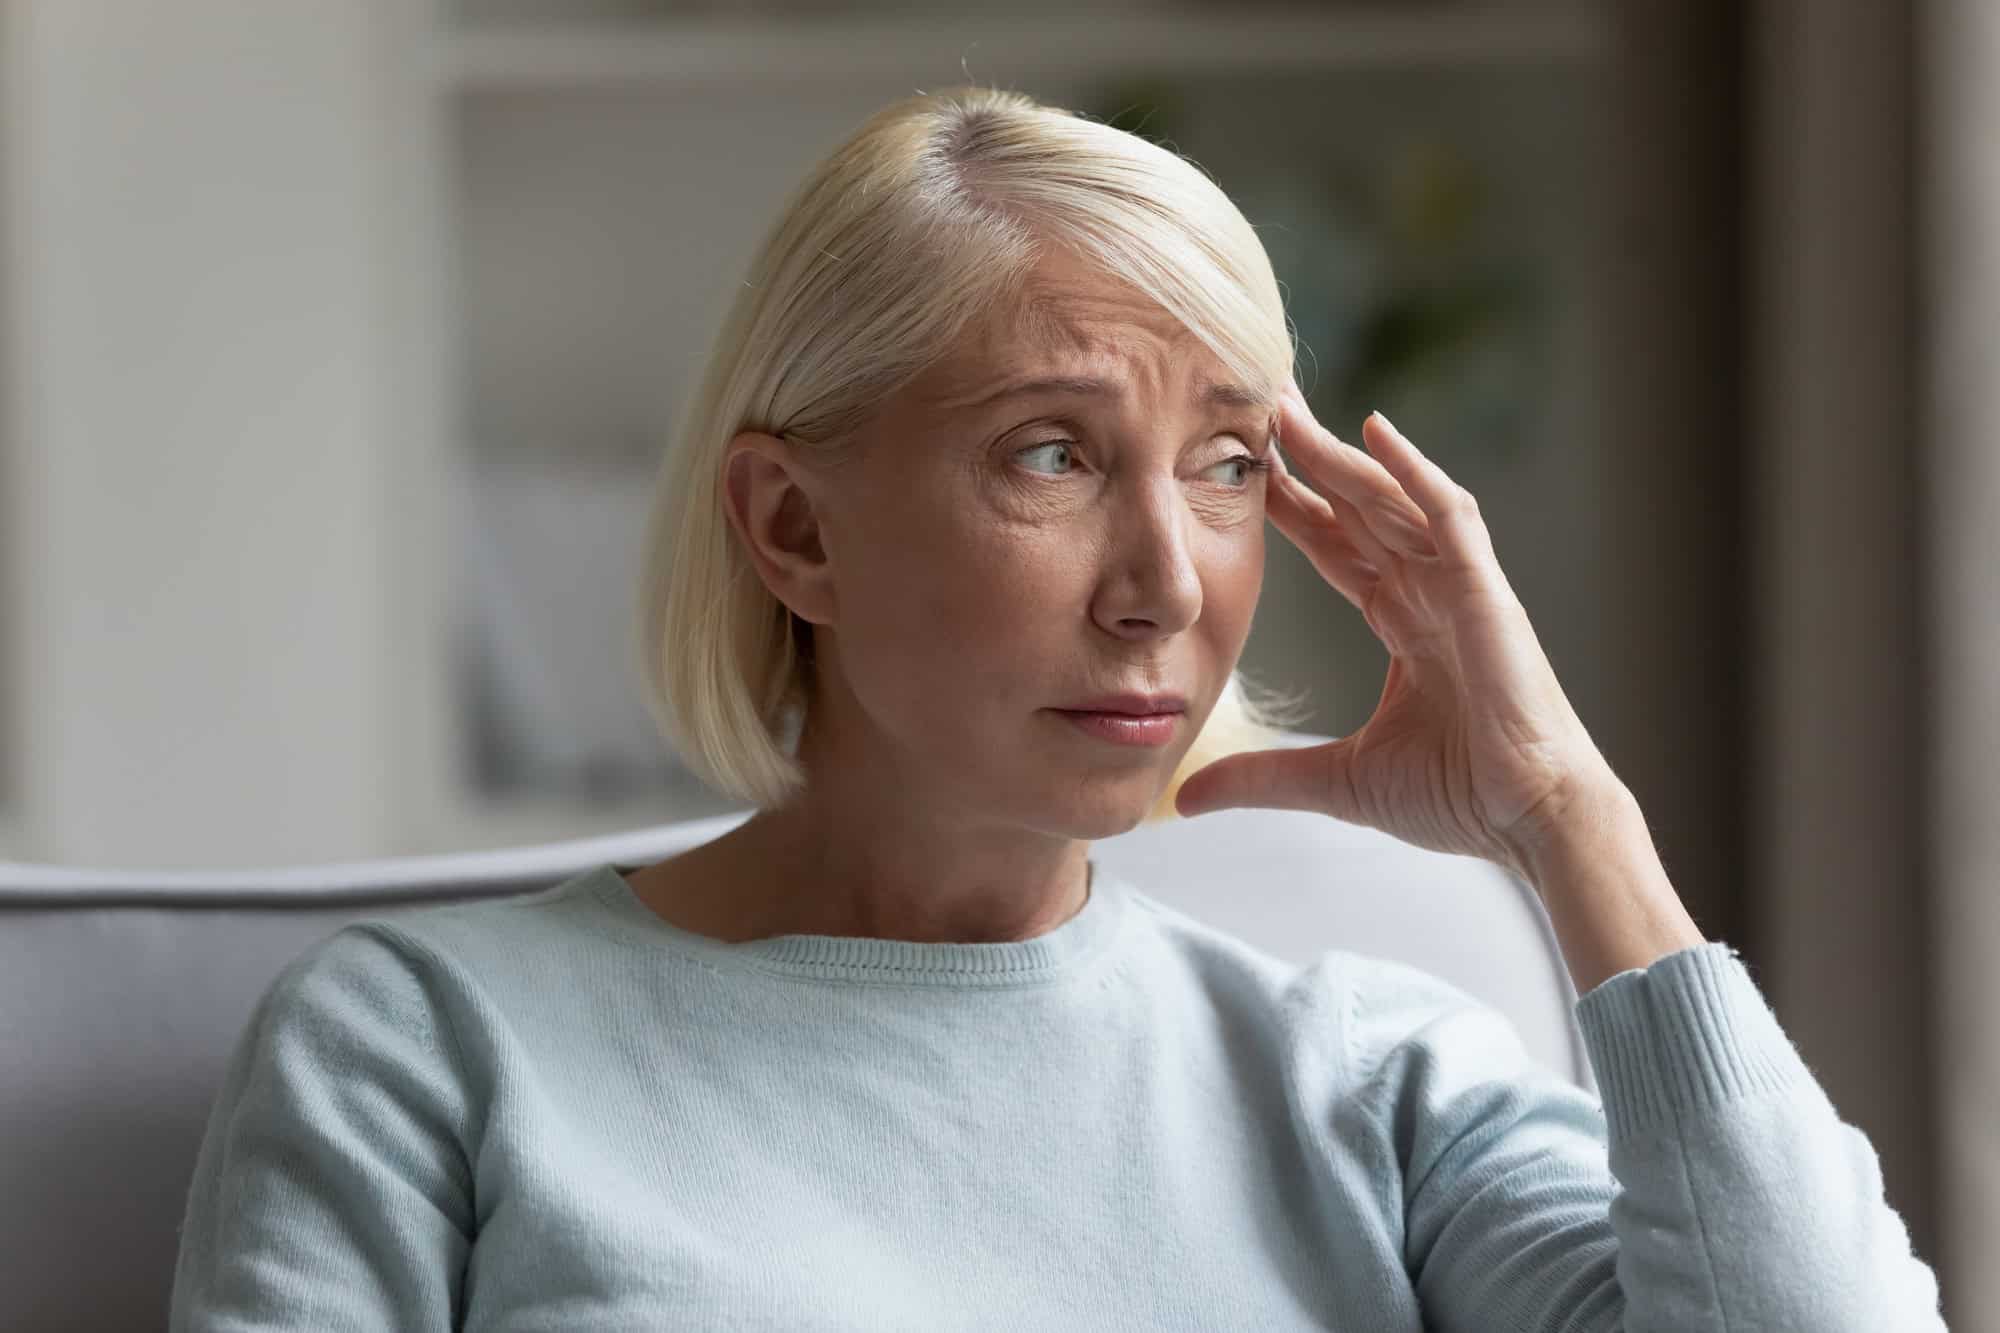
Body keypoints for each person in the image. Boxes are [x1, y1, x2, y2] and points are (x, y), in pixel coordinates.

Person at [168, 86, 1946, 1330]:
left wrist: (1569, 810)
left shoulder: (1372, 1080)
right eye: (1053, 452)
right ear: (794, 528)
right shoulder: (419, 1050)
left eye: (1230, 463)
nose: (1168, 577)